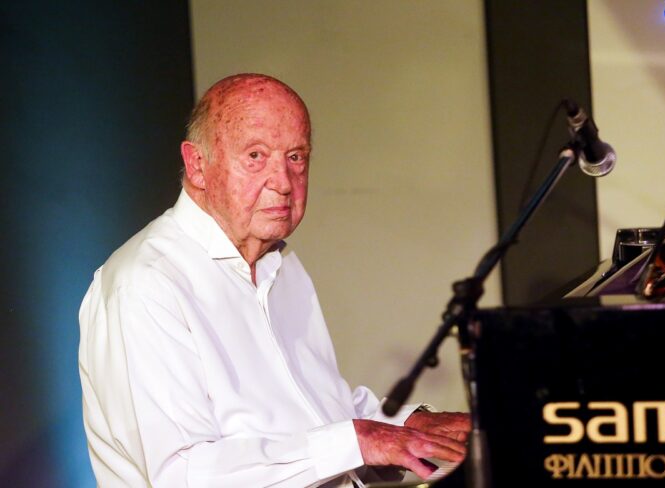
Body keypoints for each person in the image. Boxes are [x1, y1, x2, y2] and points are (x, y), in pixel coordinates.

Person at [78, 73, 470, 487]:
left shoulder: (282, 266)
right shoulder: (144, 284)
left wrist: (410, 425)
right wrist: (357, 441)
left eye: (296, 157)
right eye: (256, 156)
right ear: (197, 165)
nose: (283, 182)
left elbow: (317, 413)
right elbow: (183, 474)